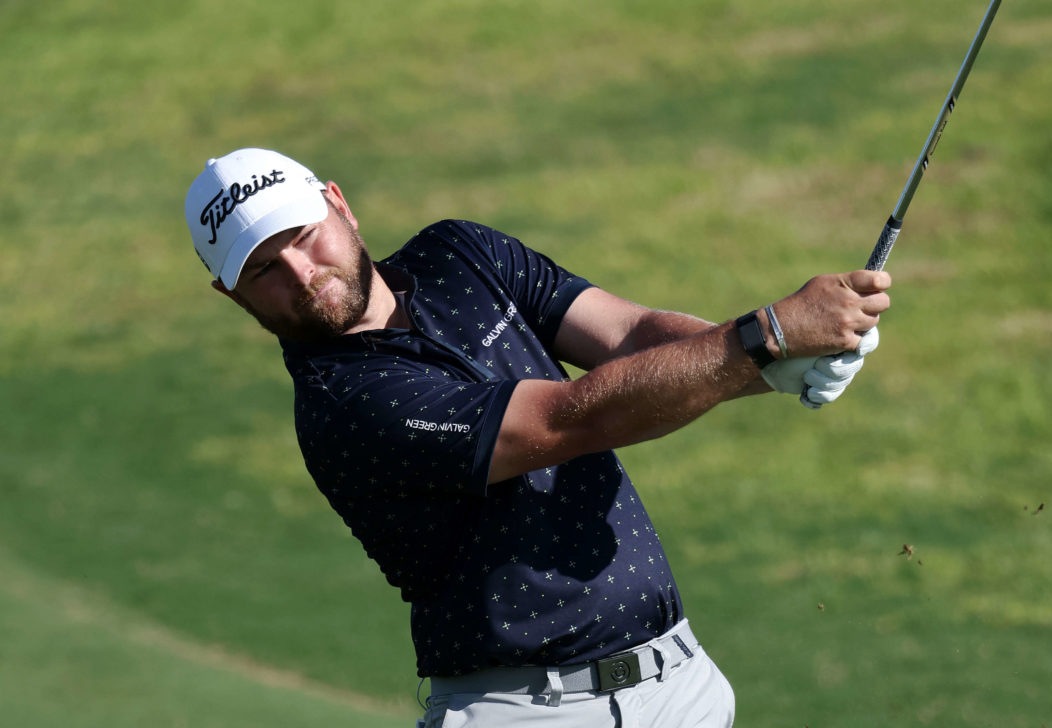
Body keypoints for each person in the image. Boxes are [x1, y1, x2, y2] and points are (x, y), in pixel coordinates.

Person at [185, 148, 890, 727]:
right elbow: (572, 418)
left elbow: (629, 335)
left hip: (683, 687)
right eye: (262, 269)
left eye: (304, 236)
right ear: (229, 294)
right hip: (530, 713)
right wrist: (765, 338)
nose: (302, 276)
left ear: (338, 203)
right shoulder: (346, 406)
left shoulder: (457, 255)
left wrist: (769, 368)